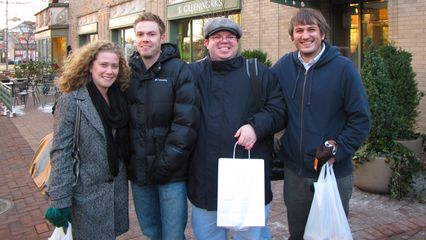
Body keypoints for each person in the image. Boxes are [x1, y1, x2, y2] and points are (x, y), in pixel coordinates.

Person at [271, 8, 371, 239]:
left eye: (311, 29)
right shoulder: (284, 66)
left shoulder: (343, 69)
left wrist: (339, 148)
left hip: (332, 172)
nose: (305, 35)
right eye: (299, 30)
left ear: (322, 34)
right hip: (295, 173)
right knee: (298, 234)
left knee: (329, 234)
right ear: (293, 36)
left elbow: (361, 118)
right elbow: (262, 97)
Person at [187, 17, 286, 240]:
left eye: (230, 37)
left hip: (248, 182)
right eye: (217, 37)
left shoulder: (258, 72)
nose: (224, 41)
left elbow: (279, 111)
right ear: (205, 42)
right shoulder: (191, 75)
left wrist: (256, 126)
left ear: (238, 41)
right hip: (206, 183)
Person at [45, 40, 131, 239]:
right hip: (85, 195)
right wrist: (59, 200)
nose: (109, 71)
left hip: (114, 191)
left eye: (114, 66)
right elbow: (61, 151)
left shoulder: (118, 96)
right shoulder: (72, 100)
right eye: (104, 65)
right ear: (90, 65)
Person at [126, 12, 199, 240]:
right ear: (134, 38)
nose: (145, 39)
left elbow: (186, 123)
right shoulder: (126, 73)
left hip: (171, 173)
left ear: (162, 36)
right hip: (139, 172)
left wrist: (165, 164)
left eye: (151, 33)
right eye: (140, 34)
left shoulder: (179, 70)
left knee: (173, 234)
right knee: (150, 232)